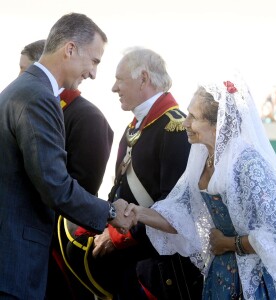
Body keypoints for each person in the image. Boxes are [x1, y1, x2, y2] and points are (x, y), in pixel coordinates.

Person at [124, 78, 276, 299]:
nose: (185, 123)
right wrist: (137, 212)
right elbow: (180, 214)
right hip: (221, 273)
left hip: (254, 281)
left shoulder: (248, 164)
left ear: (219, 125)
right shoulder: (202, 157)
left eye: (193, 117)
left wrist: (229, 243)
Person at [0, 13, 133, 299]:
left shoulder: (20, 90)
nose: (94, 74)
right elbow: (54, 185)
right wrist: (110, 213)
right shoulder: (37, 96)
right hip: (15, 262)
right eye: (94, 61)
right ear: (70, 49)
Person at [66, 47, 203, 300]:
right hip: (131, 265)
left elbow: (176, 210)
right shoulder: (136, 126)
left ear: (143, 78)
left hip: (154, 270)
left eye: (119, 79)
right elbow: (118, 189)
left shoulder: (173, 129)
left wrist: (119, 236)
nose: (114, 88)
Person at [19, 38, 114, 300]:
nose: (20, 78)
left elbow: (83, 187)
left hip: (56, 247)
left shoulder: (88, 118)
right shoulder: (25, 105)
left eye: (25, 71)